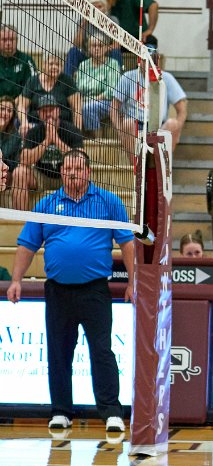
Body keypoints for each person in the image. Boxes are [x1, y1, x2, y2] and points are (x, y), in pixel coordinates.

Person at [6, 149, 136, 437]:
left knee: (101, 351)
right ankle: (61, 411)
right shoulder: (46, 204)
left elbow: (127, 243)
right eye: (67, 169)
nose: (72, 174)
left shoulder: (109, 201)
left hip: (94, 290)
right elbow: (27, 244)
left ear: (88, 171)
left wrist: (133, 281)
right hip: (58, 291)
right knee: (59, 352)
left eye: (77, 169)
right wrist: (16, 280)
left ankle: (111, 412)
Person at [111, 40, 188, 152]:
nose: (149, 63)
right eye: (145, 60)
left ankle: (163, 162)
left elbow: (182, 110)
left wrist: (178, 131)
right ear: (139, 60)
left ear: (157, 61)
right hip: (136, 124)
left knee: (173, 124)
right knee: (127, 123)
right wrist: (119, 130)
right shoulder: (127, 77)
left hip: (159, 126)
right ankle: (134, 162)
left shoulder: (167, 78)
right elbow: (114, 108)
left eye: (152, 60)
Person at [10, 99, 85, 212]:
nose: (48, 114)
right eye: (44, 111)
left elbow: (81, 159)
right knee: (19, 173)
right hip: (41, 176)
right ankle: (22, 219)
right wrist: (46, 141)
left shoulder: (72, 130)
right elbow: (24, 160)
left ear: (58, 111)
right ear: (39, 114)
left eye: (51, 110)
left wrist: (56, 140)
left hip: (66, 176)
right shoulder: (34, 132)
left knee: (81, 174)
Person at [17, 52, 81, 134]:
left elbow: (77, 109)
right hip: (36, 125)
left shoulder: (67, 81)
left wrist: (77, 133)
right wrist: (24, 122)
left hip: (62, 125)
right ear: (43, 65)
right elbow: (21, 106)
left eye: (58, 64)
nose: (55, 67)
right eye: (51, 64)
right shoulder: (32, 81)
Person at [74, 34, 122, 136]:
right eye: (93, 45)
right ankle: (76, 140)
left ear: (106, 48)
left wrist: (94, 99)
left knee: (88, 107)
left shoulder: (113, 64)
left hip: (106, 102)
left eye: (100, 45)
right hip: (84, 100)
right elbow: (77, 88)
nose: (97, 48)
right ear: (89, 48)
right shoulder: (83, 65)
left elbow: (111, 90)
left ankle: (96, 140)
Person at [65, 0, 121, 78]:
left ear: (105, 8)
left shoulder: (112, 20)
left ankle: (118, 80)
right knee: (73, 51)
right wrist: (83, 24)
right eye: (94, 7)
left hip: (105, 54)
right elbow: (76, 44)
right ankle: (67, 80)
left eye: (100, 6)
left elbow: (117, 44)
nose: (97, 9)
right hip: (88, 53)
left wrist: (102, 50)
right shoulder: (82, 21)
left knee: (116, 52)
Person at [0, 24, 37, 101]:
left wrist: (21, 100)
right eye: (4, 40)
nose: (8, 43)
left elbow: (34, 84)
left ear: (17, 41)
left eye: (11, 39)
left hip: (21, 104)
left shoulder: (27, 60)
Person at [0, 97, 22, 182]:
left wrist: (1, 128)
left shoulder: (15, 135)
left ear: (13, 115)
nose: (5, 113)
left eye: (9, 111)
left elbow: (3, 154)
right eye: (2, 109)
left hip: (7, 171)